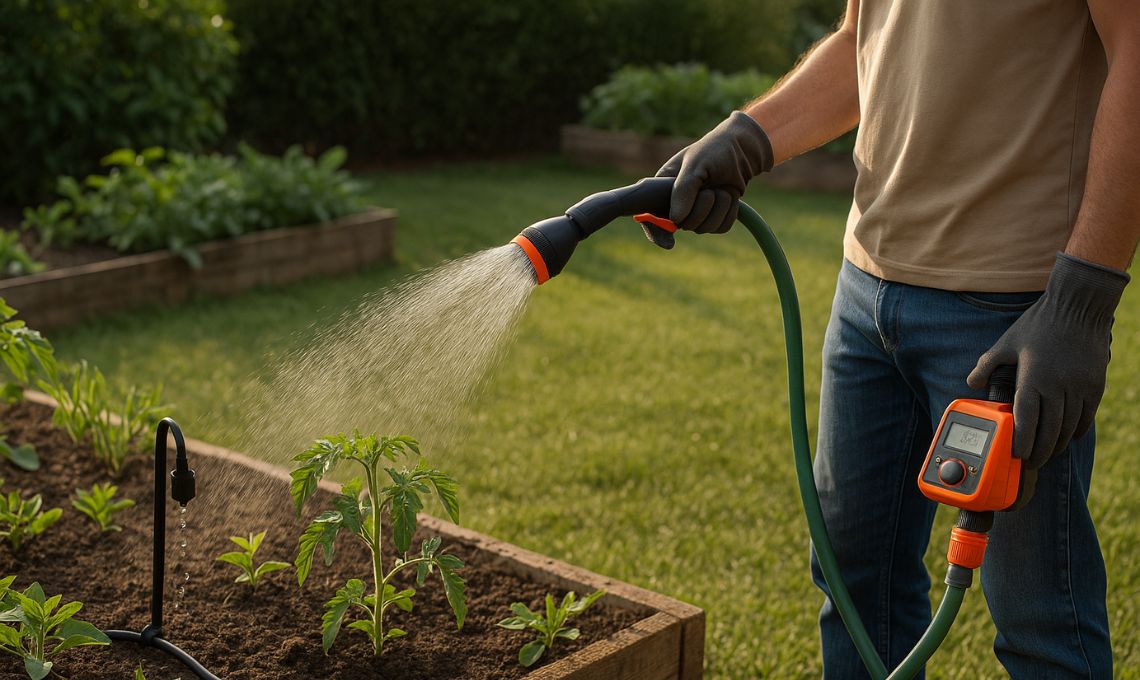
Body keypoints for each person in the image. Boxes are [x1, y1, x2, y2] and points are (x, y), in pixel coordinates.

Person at [657, 1, 1139, 677]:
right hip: (865, 293)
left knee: (1038, 619)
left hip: (1008, 311)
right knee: (854, 583)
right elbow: (864, 42)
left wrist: (1080, 302)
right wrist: (746, 138)